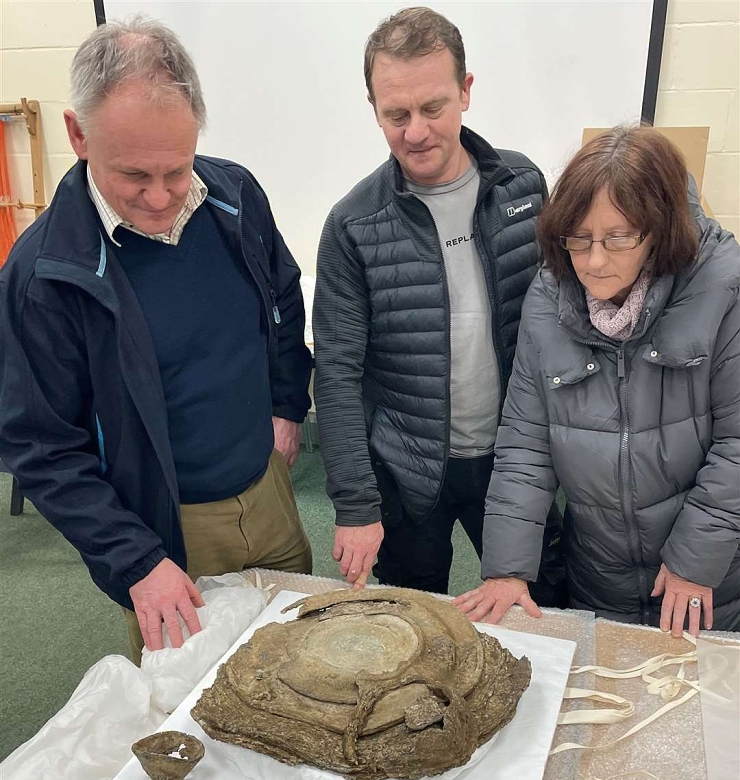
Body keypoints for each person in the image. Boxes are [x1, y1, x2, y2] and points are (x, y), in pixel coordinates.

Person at [0, 18, 313, 661]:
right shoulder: (41, 278)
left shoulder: (235, 195)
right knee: (191, 707)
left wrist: (287, 405)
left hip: (269, 490)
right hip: (163, 528)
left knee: (295, 659)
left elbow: (281, 296)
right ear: (77, 135)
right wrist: (137, 560)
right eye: (135, 175)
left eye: (177, 168)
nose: (162, 195)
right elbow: (43, 449)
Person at [313, 6, 564, 596]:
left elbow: (560, 318)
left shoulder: (523, 188)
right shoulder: (352, 225)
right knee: (412, 613)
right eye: (395, 114)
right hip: (406, 470)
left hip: (515, 461)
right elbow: (339, 375)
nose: (416, 132)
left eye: (433, 108)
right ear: (373, 107)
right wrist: (354, 505)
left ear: (466, 91)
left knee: (546, 601)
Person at [454, 126, 740, 636]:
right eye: (579, 239)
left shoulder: (724, 289)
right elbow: (526, 442)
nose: (594, 261)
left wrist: (696, 560)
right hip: (599, 572)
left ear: (661, 229)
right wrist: (508, 568)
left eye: (619, 238)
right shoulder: (548, 297)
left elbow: (737, 446)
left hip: (712, 576)